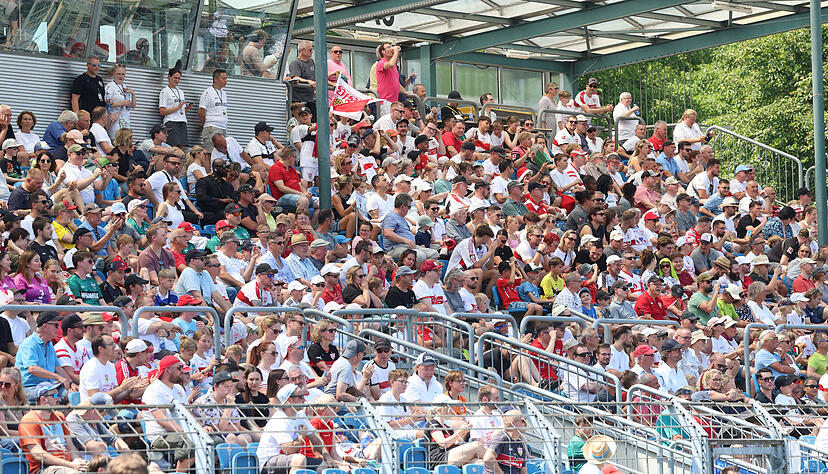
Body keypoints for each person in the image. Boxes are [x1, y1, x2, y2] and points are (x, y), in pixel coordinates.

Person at [19, 381, 88, 474]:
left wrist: (78, 461)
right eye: (55, 396)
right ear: (43, 400)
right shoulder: (29, 420)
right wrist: (71, 465)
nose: (59, 399)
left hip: (67, 465)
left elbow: (70, 446)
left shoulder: (59, 416)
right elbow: (38, 454)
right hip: (44, 468)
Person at [141, 355, 194, 473]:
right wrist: (184, 431)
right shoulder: (154, 390)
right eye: (179, 368)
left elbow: (189, 414)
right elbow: (161, 419)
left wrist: (201, 427)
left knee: (215, 440)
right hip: (160, 435)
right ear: (167, 371)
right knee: (191, 442)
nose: (182, 371)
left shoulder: (179, 388)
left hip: (182, 432)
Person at [482, 410, 528, 474]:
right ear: (513, 423)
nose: (525, 423)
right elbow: (488, 458)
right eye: (523, 420)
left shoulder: (520, 444)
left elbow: (523, 470)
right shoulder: (500, 439)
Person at [158, 67, 192, 148]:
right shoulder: (165, 91)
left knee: (182, 147)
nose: (177, 80)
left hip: (182, 121)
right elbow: (162, 111)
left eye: (179, 78)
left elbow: (180, 109)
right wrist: (178, 107)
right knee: (173, 147)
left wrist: (186, 109)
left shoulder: (181, 92)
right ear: (169, 77)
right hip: (172, 121)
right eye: (175, 78)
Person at [198, 69, 228, 152]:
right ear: (215, 79)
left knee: (223, 152)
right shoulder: (208, 92)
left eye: (226, 78)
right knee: (211, 152)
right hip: (212, 127)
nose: (226, 81)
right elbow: (201, 110)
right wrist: (206, 123)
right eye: (223, 78)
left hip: (223, 127)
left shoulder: (224, 93)